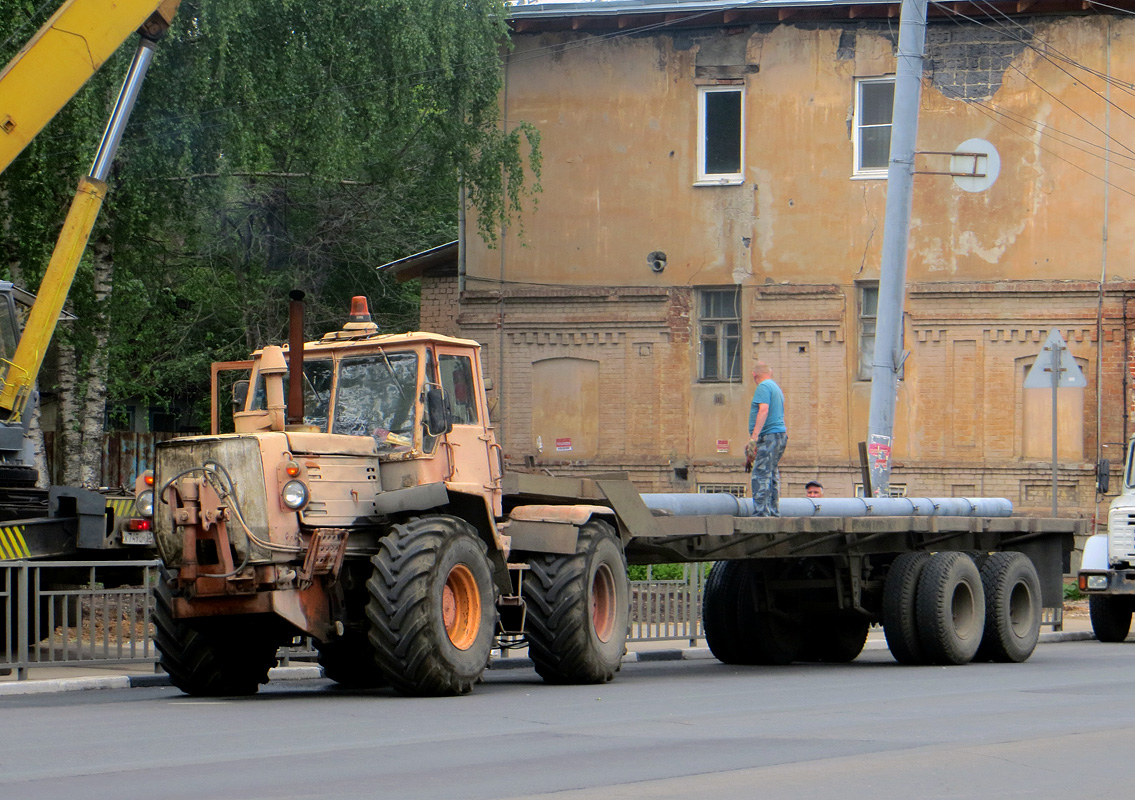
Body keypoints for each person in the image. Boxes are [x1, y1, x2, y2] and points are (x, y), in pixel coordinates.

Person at [748, 361, 788, 516]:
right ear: (770, 372)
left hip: (769, 435)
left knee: (760, 473)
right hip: (779, 436)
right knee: (771, 473)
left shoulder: (763, 387)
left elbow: (763, 410)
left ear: (754, 374)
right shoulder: (775, 388)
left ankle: (761, 514)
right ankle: (773, 511)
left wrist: (754, 437)